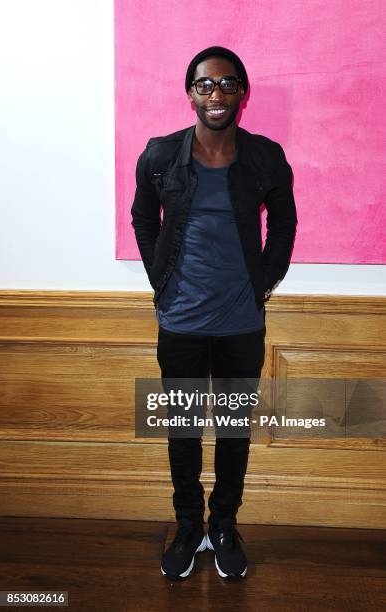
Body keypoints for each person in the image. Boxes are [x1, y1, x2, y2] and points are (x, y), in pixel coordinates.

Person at [131, 46, 297, 580]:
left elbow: (285, 225)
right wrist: (161, 281)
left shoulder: (266, 157)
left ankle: (223, 525)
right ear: (191, 94)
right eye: (205, 85)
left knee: (232, 430)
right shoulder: (159, 155)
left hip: (241, 324)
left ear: (242, 92)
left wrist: (262, 283)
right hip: (179, 322)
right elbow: (142, 218)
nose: (216, 94)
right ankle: (187, 526)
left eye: (227, 84)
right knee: (182, 430)